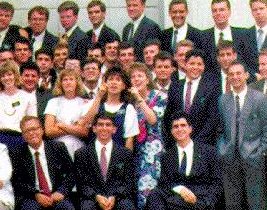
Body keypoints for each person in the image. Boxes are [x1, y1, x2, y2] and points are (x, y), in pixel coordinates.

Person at [216, 61, 267, 210]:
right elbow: (219, 129)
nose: (235, 77)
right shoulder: (223, 100)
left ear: (246, 75)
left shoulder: (259, 98)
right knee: (232, 201)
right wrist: (222, 149)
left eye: (239, 73)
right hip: (230, 157)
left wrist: (261, 151)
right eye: (231, 74)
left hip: (253, 156)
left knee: (256, 201)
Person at [75, 115, 138, 210]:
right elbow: (81, 183)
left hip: (118, 196)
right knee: (86, 209)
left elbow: (129, 183)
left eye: (108, 125)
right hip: (92, 196)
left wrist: (114, 197)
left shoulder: (125, 153)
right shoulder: (82, 153)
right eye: (100, 125)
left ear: (114, 129)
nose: (104, 128)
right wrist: (96, 196)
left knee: (128, 209)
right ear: (94, 128)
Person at [163, 49, 221, 147]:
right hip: (178, 142)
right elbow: (169, 115)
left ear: (204, 66)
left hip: (202, 143)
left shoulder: (212, 87)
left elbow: (212, 118)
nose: (195, 67)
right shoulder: (175, 86)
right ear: (185, 64)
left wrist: (195, 143)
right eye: (192, 63)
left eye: (199, 64)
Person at [127, 63, 168, 197]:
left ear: (148, 79)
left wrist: (139, 98)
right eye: (133, 77)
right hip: (136, 150)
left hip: (153, 151)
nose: (136, 79)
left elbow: (152, 119)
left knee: (149, 189)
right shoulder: (129, 101)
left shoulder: (159, 96)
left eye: (140, 76)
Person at [83, 66, 141, 150]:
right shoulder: (94, 103)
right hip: (94, 155)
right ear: (104, 84)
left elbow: (129, 139)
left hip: (117, 157)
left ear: (124, 86)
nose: (114, 82)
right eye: (110, 79)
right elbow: (87, 122)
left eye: (118, 80)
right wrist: (99, 97)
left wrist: (126, 161)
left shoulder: (128, 108)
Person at [0, 60, 37, 147]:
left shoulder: (28, 97)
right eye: (3, 76)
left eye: (10, 74)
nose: (7, 78)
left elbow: (32, 122)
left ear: (16, 75)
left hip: (20, 138)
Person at [43, 69, 91, 157]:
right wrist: (74, 127)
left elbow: (84, 131)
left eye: (71, 79)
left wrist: (62, 125)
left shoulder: (84, 103)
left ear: (77, 82)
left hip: (78, 148)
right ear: (60, 83)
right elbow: (49, 131)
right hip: (57, 149)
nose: (68, 82)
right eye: (65, 80)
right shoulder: (53, 102)